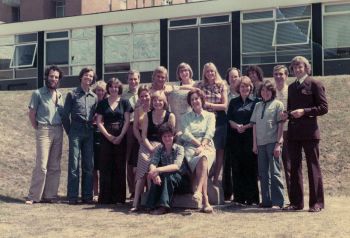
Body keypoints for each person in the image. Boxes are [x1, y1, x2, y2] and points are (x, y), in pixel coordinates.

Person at [282, 56, 328, 212]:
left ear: (306, 68)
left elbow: (323, 108)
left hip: (310, 133)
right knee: (294, 168)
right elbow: (290, 109)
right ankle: (296, 203)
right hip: (294, 133)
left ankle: (316, 203)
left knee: (312, 166)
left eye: (300, 66)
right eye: (294, 67)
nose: (297, 69)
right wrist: (286, 115)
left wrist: (305, 112)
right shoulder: (291, 87)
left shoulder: (315, 83)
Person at [25, 65, 64, 204]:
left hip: (59, 130)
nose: (53, 79)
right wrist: (38, 127)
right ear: (47, 76)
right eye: (51, 76)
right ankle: (34, 196)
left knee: (55, 165)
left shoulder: (59, 95)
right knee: (41, 165)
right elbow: (32, 113)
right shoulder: (38, 93)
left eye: (56, 77)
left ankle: (50, 196)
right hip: (44, 130)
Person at [131, 91, 175, 211]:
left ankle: (151, 201)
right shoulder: (147, 115)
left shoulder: (170, 116)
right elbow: (144, 135)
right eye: (155, 100)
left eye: (160, 100)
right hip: (147, 145)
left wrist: (159, 148)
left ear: (164, 102)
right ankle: (135, 203)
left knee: (154, 171)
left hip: (162, 146)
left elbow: (171, 136)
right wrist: (150, 148)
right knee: (142, 170)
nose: (157, 103)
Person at [62, 67, 97, 204]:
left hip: (89, 131)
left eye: (91, 76)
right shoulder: (72, 94)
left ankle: (87, 196)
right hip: (75, 130)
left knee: (89, 164)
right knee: (74, 164)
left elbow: (95, 115)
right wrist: (70, 131)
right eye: (86, 75)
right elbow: (65, 115)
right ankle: (72, 196)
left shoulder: (94, 97)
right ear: (81, 77)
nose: (88, 78)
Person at [95, 78, 132, 204]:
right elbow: (99, 122)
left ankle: (119, 198)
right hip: (106, 138)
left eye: (116, 87)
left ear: (119, 88)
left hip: (121, 137)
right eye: (111, 86)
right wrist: (108, 136)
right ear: (108, 88)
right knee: (105, 166)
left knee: (119, 167)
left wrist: (121, 136)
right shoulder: (102, 103)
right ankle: (105, 198)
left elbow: (127, 121)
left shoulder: (125, 102)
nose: (113, 89)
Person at [251, 80, 285, 209]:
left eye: (268, 90)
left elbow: (281, 125)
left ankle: (278, 201)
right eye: (263, 90)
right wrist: (254, 144)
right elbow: (254, 125)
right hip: (260, 144)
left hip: (272, 143)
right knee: (263, 173)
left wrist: (278, 144)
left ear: (272, 92)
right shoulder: (258, 105)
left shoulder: (278, 105)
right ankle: (266, 200)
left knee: (275, 172)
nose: (265, 93)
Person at [181, 89, 216, 213]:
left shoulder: (210, 116)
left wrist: (203, 145)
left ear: (201, 99)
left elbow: (210, 132)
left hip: (207, 145)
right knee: (202, 160)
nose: (195, 101)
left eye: (197, 98)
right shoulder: (185, 117)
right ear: (190, 103)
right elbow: (186, 133)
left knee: (204, 157)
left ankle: (199, 192)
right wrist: (198, 145)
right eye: (192, 99)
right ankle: (205, 201)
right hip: (191, 146)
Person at [226, 76, 259, 205]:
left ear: (251, 87)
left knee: (250, 168)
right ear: (238, 88)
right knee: (237, 167)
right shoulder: (233, 102)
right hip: (236, 138)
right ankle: (239, 197)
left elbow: (256, 119)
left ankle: (252, 198)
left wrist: (245, 126)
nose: (245, 88)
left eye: (247, 86)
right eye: (242, 86)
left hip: (250, 138)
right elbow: (229, 118)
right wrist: (237, 126)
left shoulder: (256, 101)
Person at [146, 124, 191, 215]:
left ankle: (164, 207)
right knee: (157, 176)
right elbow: (153, 163)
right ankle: (151, 205)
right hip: (168, 180)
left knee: (166, 176)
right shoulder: (159, 149)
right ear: (161, 137)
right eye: (164, 136)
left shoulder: (180, 149)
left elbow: (176, 166)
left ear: (173, 136)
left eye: (169, 136)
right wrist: (155, 174)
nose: (167, 138)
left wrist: (158, 170)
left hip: (182, 181)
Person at [196, 62, 228, 186]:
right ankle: (206, 179)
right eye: (208, 71)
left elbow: (224, 105)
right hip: (205, 121)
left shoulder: (221, 85)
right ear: (204, 73)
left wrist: (209, 105)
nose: (210, 73)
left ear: (215, 72)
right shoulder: (200, 86)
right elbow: (188, 87)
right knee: (206, 148)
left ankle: (215, 181)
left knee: (219, 150)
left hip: (219, 120)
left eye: (212, 71)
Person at [273, 64, 291, 203]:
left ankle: (293, 199)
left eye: (281, 74)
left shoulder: (291, 91)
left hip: (288, 133)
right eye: (276, 74)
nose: (279, 77)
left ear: (286, 75)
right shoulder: (270, 92)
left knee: (289, 166)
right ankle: (276, 199)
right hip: (273, 134)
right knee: (273, 168)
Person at [222, 67, 241, 200]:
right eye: (231, 77)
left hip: (242, 131)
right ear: (227, 79)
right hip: (227, 130)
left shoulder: (244, 92)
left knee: (239, 162)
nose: (233, 79)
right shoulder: (225, 94)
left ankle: (239, 192)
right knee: (227, 162)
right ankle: (227, 192)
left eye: (235, 76)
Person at [122, 70, 140, 199]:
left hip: (143, 128)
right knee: (129, 159)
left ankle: (143, 189)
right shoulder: (123, 96)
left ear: (139, 79)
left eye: (135, 79)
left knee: (142, 157)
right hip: (129, 128)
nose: (133, 82)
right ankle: (133, 190)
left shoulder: (145, 93)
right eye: (130, 79)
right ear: (127, 81)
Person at [167, 62, 196, 132]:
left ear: (190, 71)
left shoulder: (196, 84)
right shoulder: (175, 85)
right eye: (181, 71)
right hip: (178, 120)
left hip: (192, 119)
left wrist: (179, 88)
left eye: (186, 70)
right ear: (179, 74)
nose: (184, 73)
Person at [91, 80, 107, 202]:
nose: (100, 92)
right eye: (98, 90)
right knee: (94, 167)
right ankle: (95, 193)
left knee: (103, 167)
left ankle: (103, 192)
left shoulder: (107, 104)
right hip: (92, 135)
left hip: (104, 137)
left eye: (102, 90)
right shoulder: (92, 104)